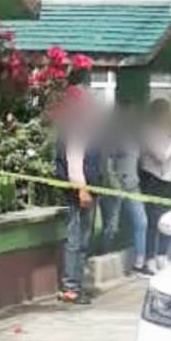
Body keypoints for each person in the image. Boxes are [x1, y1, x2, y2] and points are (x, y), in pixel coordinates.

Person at [56, 78, 103, 306]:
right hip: (79, 192)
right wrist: (83, 190)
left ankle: (76, 284)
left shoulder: (85, 128)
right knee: (76, 240)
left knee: (82, 240)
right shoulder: (77, 129)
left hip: (87, 190)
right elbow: (74, 162)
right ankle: (71, 288)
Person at [103, 105, 150, 275]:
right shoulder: (112, 136)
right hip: (116, 188)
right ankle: (104, 259)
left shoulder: (134, 137)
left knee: (141, 221)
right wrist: (115, 186)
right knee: (111, 227)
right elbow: (107, 164)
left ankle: (139, 263)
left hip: (133, 186)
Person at [139, 99, 171, 272]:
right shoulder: (149, 131)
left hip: (168, 180)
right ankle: (150, 258)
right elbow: (161, 156)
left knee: (168, 219)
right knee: (153, 220)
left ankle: (162, 254)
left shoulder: (167, 131)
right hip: (153, 179)